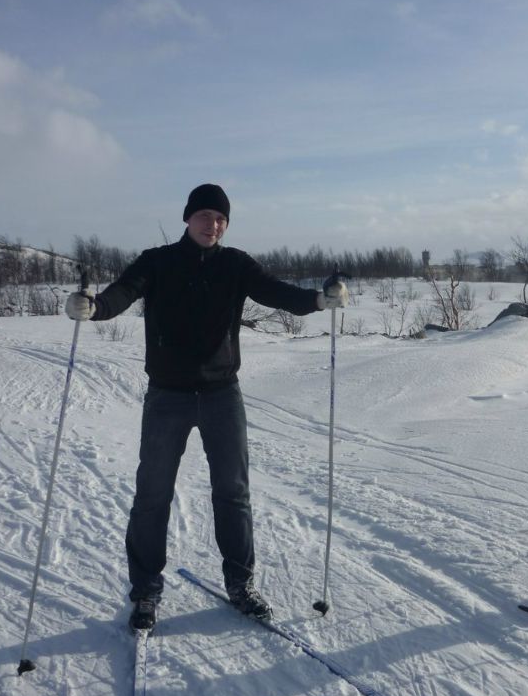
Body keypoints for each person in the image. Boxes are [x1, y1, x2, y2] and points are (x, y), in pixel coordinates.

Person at [64, 183, 348, 633]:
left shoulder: (235, 265)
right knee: (152, 495)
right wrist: (93, 307)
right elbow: (122, 292)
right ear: (187, 218)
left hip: (222, 396)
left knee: (233, 494)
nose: (212, 225)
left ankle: (240, 584)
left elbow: (275, 292)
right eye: (204, 216)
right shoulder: (156, 262)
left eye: (220, 219)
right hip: (167, 398)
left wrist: (319, 300)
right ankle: (145, 593)